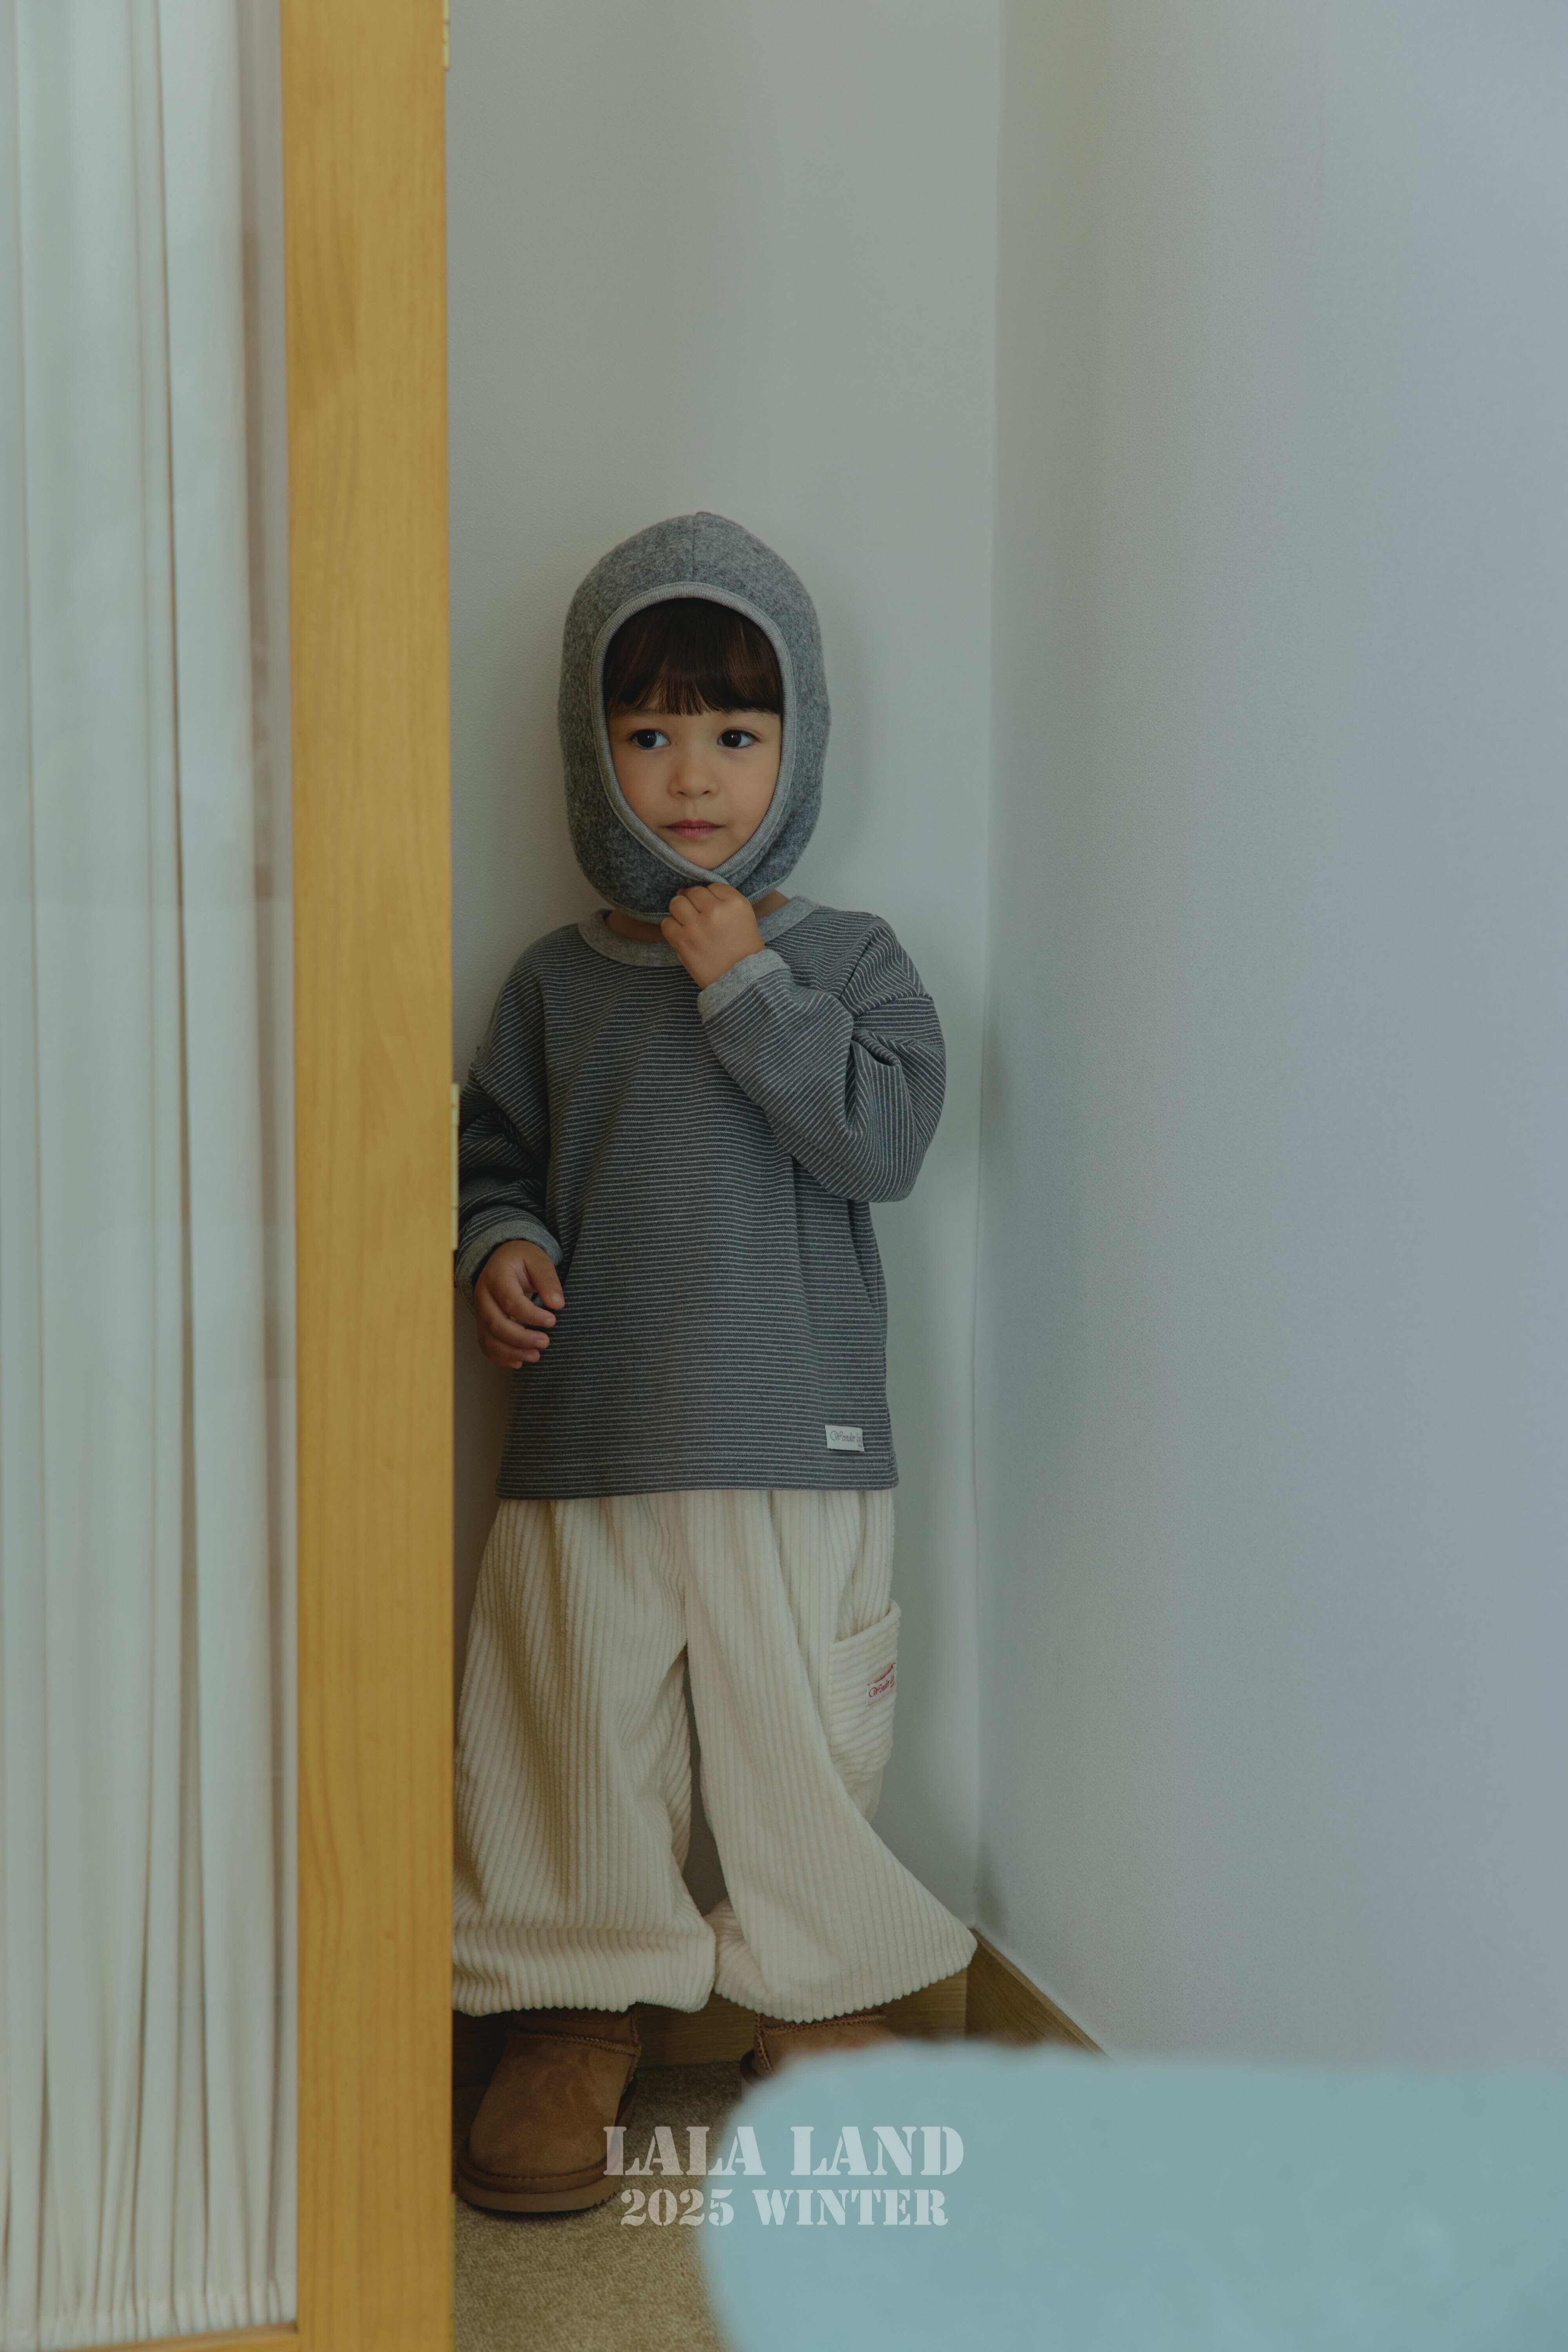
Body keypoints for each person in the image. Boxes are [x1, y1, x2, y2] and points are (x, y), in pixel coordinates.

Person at [451, 511, 976, 2214]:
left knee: (798, 1739)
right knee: (567, 1731)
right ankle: (567, 2012)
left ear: (797, 746)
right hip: (589, 1439)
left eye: (737, 733)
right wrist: (498, 1245)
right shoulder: (551, 986)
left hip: (792, 1440)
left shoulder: (848, 961)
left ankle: (818, 2004)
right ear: (589, 749)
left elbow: (882, 1142)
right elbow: (489, 1155)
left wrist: (748, 982)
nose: (692, 776)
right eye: (650, 731)